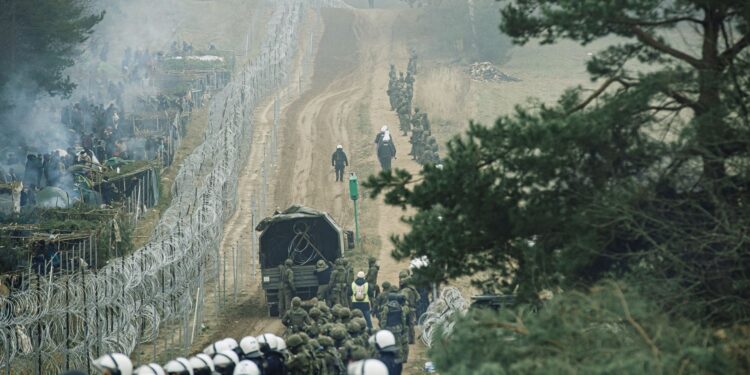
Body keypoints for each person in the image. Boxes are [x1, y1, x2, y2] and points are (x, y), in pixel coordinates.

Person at [398, 270, 420, 345]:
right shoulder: (413, 289)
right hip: (413, 309)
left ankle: (405, 340)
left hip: (406, 309)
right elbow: (418, 298)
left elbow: (403, 299)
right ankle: (412, 339)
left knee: (404, 324)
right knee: (411, 325)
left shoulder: (404, 290)